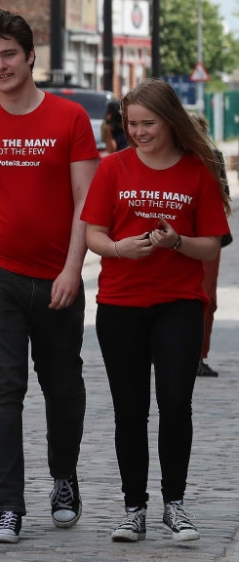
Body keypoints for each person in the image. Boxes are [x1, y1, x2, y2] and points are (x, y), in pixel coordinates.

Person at [0, 9, 99, 543]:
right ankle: (7, 506)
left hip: (57, 277)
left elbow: (87, 200)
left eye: (8, 54)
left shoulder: (71, 118)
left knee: (63, 387)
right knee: (2, 389)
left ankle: (63, 479)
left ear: (32, 56)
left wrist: (72, 270)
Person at [81, 79, 231, 543]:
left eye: (148, 123)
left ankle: (175, 505)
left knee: (174, 405)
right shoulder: (113, 169)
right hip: (120, 304)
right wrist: (120, 249)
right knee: (130, 411)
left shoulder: (196, 171)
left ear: (171, 121)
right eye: (132, 124)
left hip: (179, 305)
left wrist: (177, 242)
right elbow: (93, 234)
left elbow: (211, 246)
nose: (139, 132)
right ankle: (133, 509)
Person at [191, 114, 232, 378]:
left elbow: (225, 196)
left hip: (206, 236)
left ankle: (197, 356)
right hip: (180, 235)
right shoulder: (169, 157)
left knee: (206, 299)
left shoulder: (212, 156)